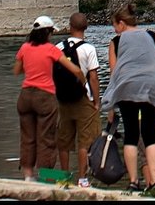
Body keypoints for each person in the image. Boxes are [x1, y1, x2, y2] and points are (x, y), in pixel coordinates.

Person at [105, 2, 155, 192]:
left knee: (131, 135)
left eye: (114, 26)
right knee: (150, 134)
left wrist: (111, 105)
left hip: (127, 88)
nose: (115, 30)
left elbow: (114, 73)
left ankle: (134, 181)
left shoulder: (116, 42)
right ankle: (154, 182)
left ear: (121, 23)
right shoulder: (151, 36)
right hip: (153, 86)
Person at [14, 14, 84, 182]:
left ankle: (28, 176)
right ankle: (44, 175)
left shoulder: (24, 48)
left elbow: (17, 71)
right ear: (48, 32)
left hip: (25, 96)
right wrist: (83, 80)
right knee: (46, 136)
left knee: (27, 137)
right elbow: (74, 69)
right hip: (44, 97)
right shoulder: (51, 49)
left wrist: (32, 68)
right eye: (51, 32)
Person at [53, 12, 101, 187]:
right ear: (86, 28)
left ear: (70, 26)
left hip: (64, 99)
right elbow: (93, 77)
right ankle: (82, 179)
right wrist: (96, 101)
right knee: (84, 140)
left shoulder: (58, 47)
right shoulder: (89, 49)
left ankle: (64, 178)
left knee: (64, 140)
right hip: (83, 98)